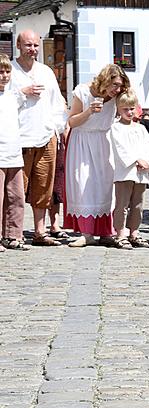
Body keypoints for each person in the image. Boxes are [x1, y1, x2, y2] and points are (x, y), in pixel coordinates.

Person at [10, 30, 67, 247]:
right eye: (28, 45)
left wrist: (56, 129)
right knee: (15, 190)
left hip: (45, 136)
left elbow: (57, 102)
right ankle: (12, 233)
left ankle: (40, 232)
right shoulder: (10, 72)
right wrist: (22, 92)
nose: (32, 50)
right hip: (19, 138)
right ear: (18, 45)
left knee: (43, 187)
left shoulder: (45, 72)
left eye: (35, 45)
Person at [65, 64, 129, 247]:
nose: (117, 90)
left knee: (104, 186)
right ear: (105, 81)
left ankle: (105, 231)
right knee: (84, 184)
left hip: (103, 141)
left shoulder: (116, 97)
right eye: (115, 85)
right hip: (83, 141)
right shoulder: (84, 92)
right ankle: (86, 233)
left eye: (120, 86)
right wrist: (89, 111)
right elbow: (72, 121)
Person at [109, 90, 149, 249]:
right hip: (125, 172)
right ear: (119, 109)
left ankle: (134, 232)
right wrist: (135, 160)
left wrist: (146, 161)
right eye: (125, 109)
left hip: (140, 173)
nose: (129, 112)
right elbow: (121, 148)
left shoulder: (140, 128)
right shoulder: (116, 128)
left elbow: (147, 146)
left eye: (132, 108)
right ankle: (120, 233)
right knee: (122, 204)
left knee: (138, 204)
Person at [0, 54, 27, 251]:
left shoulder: (13, 96)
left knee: (16, 197)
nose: (4, 76)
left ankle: (13, 235)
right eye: (0, 72)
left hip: (14, 153)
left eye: (7, 71)